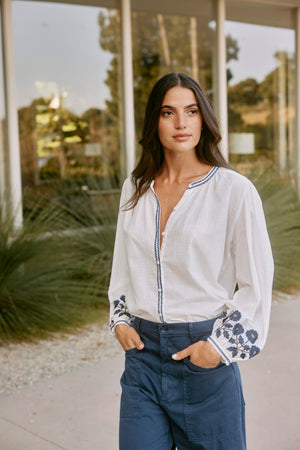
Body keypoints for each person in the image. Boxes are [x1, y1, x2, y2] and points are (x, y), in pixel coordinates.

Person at [108, 72, 274, 450]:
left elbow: (257, 283)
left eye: (192, 111)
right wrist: (119, 320)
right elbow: (123, 267)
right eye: (169, 112)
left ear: (204, 119)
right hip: (142, 360)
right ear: (155, 121)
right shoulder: (135, 188)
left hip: (204, 356)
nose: (181, 123)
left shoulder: (233, 190)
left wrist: (217, 348)